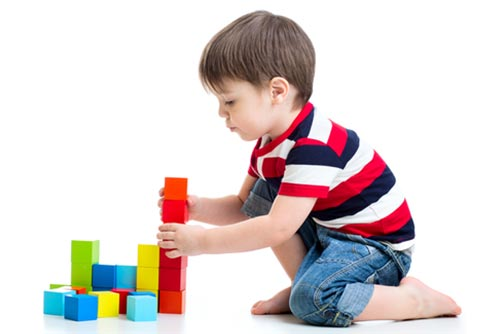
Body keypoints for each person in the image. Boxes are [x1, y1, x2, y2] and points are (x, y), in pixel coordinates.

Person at [156, 10, 461, 327]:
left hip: (376, 246)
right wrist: (196, 208)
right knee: (267, 195)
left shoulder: (314, 147)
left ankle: (413, 300)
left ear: (277, 91)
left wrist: (202, 243)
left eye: (230, 101)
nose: (221, 113)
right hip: (330, 232)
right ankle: (306, 283)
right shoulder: (268, 144)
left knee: (314, 302)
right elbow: (247, 208)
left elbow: (277, 228)